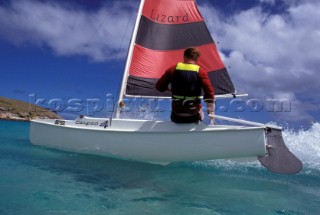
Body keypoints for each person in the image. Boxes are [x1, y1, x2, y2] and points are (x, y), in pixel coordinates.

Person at [156, 47, 215, 123]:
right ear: (197, 59)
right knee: (202, 114)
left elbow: (159, 87)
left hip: (177, 115)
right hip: (193, 115)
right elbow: (210, 92)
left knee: (175, 114)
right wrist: (211, 111)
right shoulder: (201, 72)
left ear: (184, 56)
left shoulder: (173, 69)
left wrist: (169, 89)